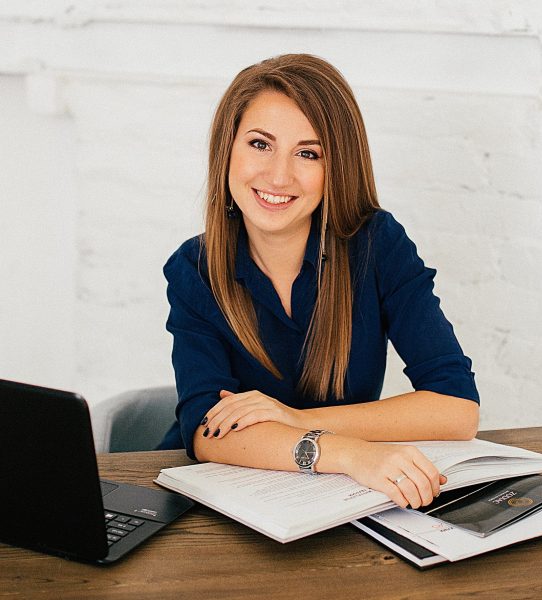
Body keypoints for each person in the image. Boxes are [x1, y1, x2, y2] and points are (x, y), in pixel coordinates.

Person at [158, 53, 479, 510]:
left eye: (307, 153)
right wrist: (347, 452)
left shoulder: (377, 244)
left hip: (332, 505)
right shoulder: (195, 268)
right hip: (217, 500)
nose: (278, 175)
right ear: (227, 148)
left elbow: (456, 408)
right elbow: (207, 433)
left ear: (337, 169)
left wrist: (291, 418)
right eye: (259, 144)